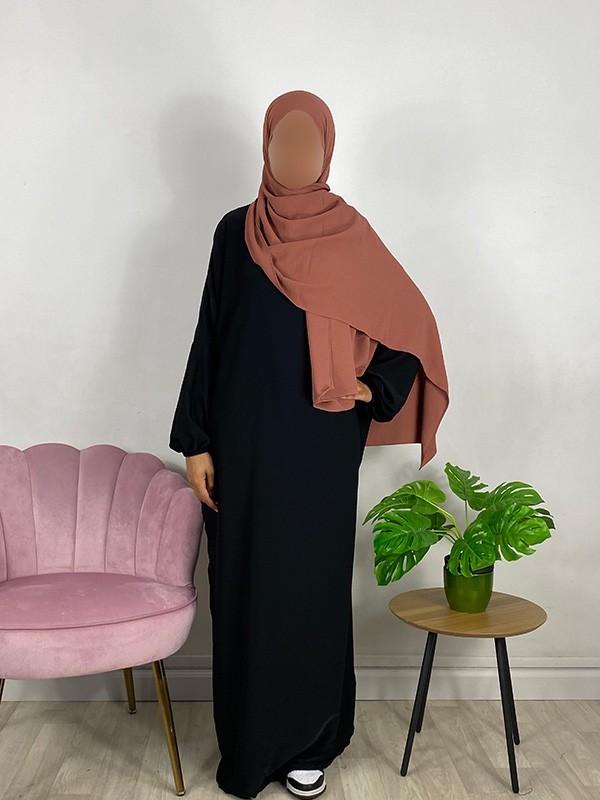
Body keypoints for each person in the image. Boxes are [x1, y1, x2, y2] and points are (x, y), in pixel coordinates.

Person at [169, 90, 449, 799]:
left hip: (318, 447)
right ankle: (248, 748)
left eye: (308, 143)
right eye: (282, 141)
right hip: (240, 445)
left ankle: (309, 743)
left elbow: (408, 330)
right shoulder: (235, 232)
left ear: (327, 150)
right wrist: (195, 441)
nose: (294, 154)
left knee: (309, 591)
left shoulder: (351, 236)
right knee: (242, 587)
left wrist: (372, 389)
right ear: (265, 148)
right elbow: (210, 335)